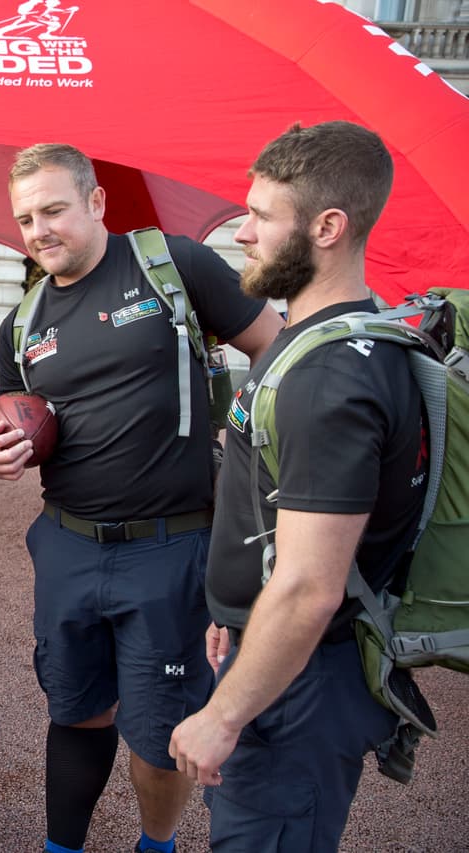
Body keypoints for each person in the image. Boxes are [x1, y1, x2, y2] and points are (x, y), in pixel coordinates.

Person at [0, 143, 283, 853]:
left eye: (53, 209)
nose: (39, 228)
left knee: (158, 732)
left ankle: (156, 845)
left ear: (95, 201)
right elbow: (11, 420)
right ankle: (61, 846)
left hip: (170, 547)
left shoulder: (171, 266)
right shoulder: (21, 324)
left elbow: (276, 347)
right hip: (68, 542)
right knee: (75, 712)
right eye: (25, 218)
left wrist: (236, 432)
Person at [169, 121, 428, 851]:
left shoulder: (330, 379)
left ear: (327, 226)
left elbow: (312, 586)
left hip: (301, 686)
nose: (242, 232)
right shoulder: (329, 333)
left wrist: (221, 717)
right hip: (281, 656)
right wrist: (234, 606)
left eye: (260, 216)